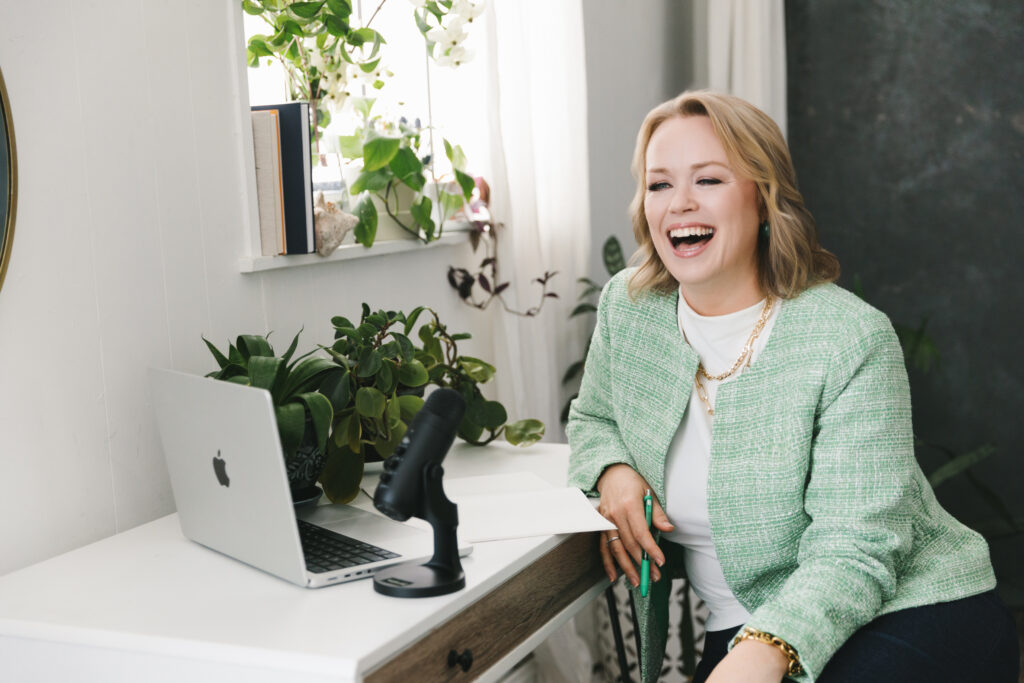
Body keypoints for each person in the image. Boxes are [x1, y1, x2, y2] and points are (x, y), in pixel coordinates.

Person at [566, 91, 1018, 683]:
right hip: (743, 624)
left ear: (763, 197)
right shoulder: (631, 310)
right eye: (658, 185)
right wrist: (613, 471)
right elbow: (593, 418)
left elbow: (856, 548)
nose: (679, 204)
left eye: (708, 180)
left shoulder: (849, 337)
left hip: (910, 609)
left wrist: (762, 652)